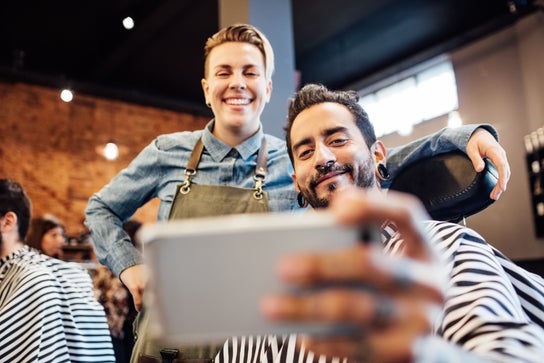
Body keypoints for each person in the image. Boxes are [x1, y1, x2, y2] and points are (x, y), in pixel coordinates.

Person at [84, 24, 511, 363]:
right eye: (224, 72)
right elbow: (101, 208)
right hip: (168, 344)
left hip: (258, 339)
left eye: (251, 73)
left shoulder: (298, 160)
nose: (237, 83)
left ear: (268, 88)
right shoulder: (167, 151)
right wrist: (128, 268)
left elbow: (363, 162)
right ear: (205, 88)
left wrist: (463, 136)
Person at [256, 84, 544, 362]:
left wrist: (427, 356)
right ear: (296, 183)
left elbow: (508, 351)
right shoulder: (285, 287)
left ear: (378, 154)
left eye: (338, 140)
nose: (322, 158)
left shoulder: (443, 247)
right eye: (305, 152)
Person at [0, 179, 116, 362]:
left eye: (60, 235)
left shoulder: (36, 279)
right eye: (54, 235)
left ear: (7, 222)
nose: (60, 240)